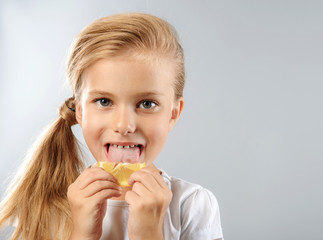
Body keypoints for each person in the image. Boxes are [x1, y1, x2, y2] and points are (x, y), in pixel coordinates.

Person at [0, 13, 223, 240]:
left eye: (147, 104)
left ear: (173, 114)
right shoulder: (47, 208)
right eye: (104, 101)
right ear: (80, 110)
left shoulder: (192, 207)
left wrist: (149, 234)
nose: (124, 125)